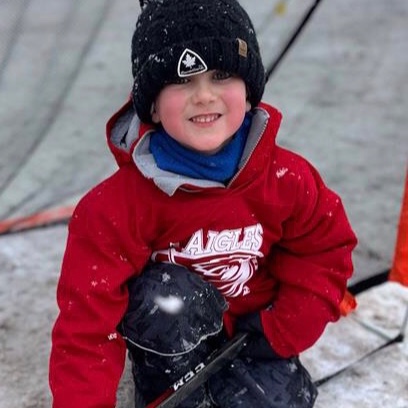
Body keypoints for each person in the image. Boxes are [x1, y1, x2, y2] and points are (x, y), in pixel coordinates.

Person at [49, 0, 358, 407]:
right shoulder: (113, 208)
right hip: (169, 347)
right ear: (152, 105)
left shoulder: (289, 179)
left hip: (252, 338)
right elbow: (86, 326)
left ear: (249, 91)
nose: (204, 95)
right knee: (165, 297)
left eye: (221, 75)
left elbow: (324, 253)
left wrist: (281, 329)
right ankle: (167, 385)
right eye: (182, 80)